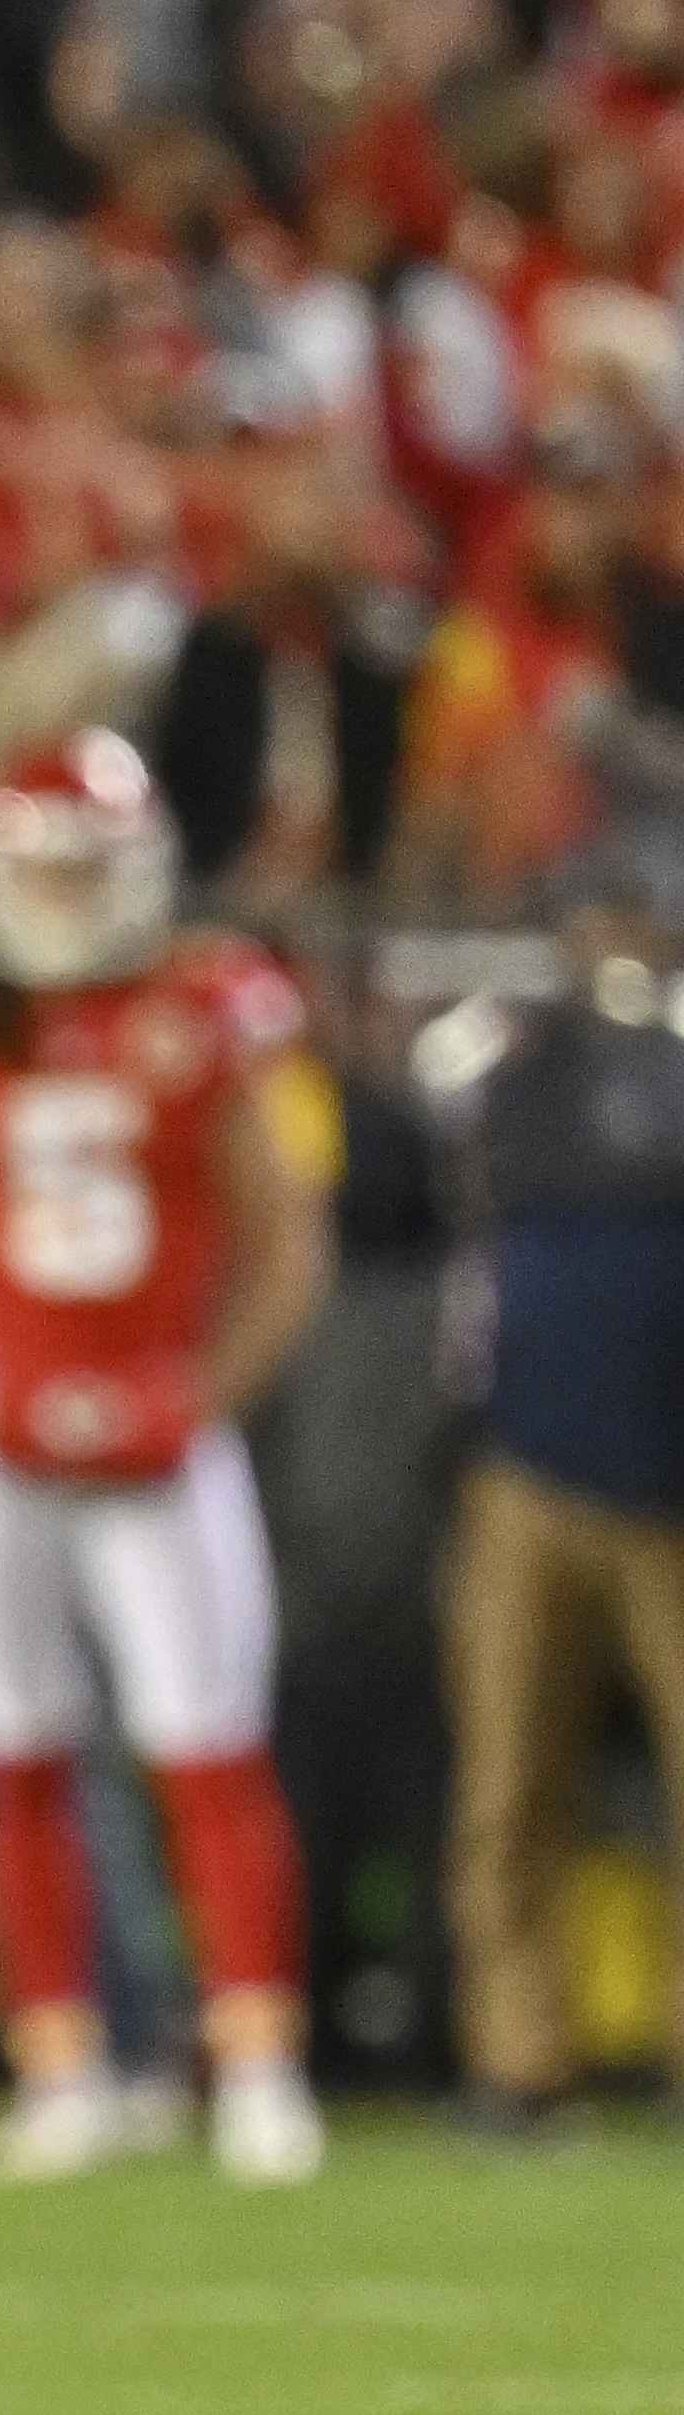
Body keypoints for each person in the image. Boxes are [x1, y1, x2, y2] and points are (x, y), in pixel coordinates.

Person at [0, 731, 337, 2184]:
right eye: (38, 866)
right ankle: (59, 2064)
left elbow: (287, 1242)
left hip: (158, 1424)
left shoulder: (208, 1001)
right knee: (13, 1750)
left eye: (81, 867)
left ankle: (256, 2061)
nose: (58, 898)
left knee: (209, 1747)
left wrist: (203, 1392)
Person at [415, 902, 684, 2125]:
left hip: (667, 1480)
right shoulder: (512, 1078)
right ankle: (519, 2058)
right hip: (525, 1470)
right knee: (509, 1785)